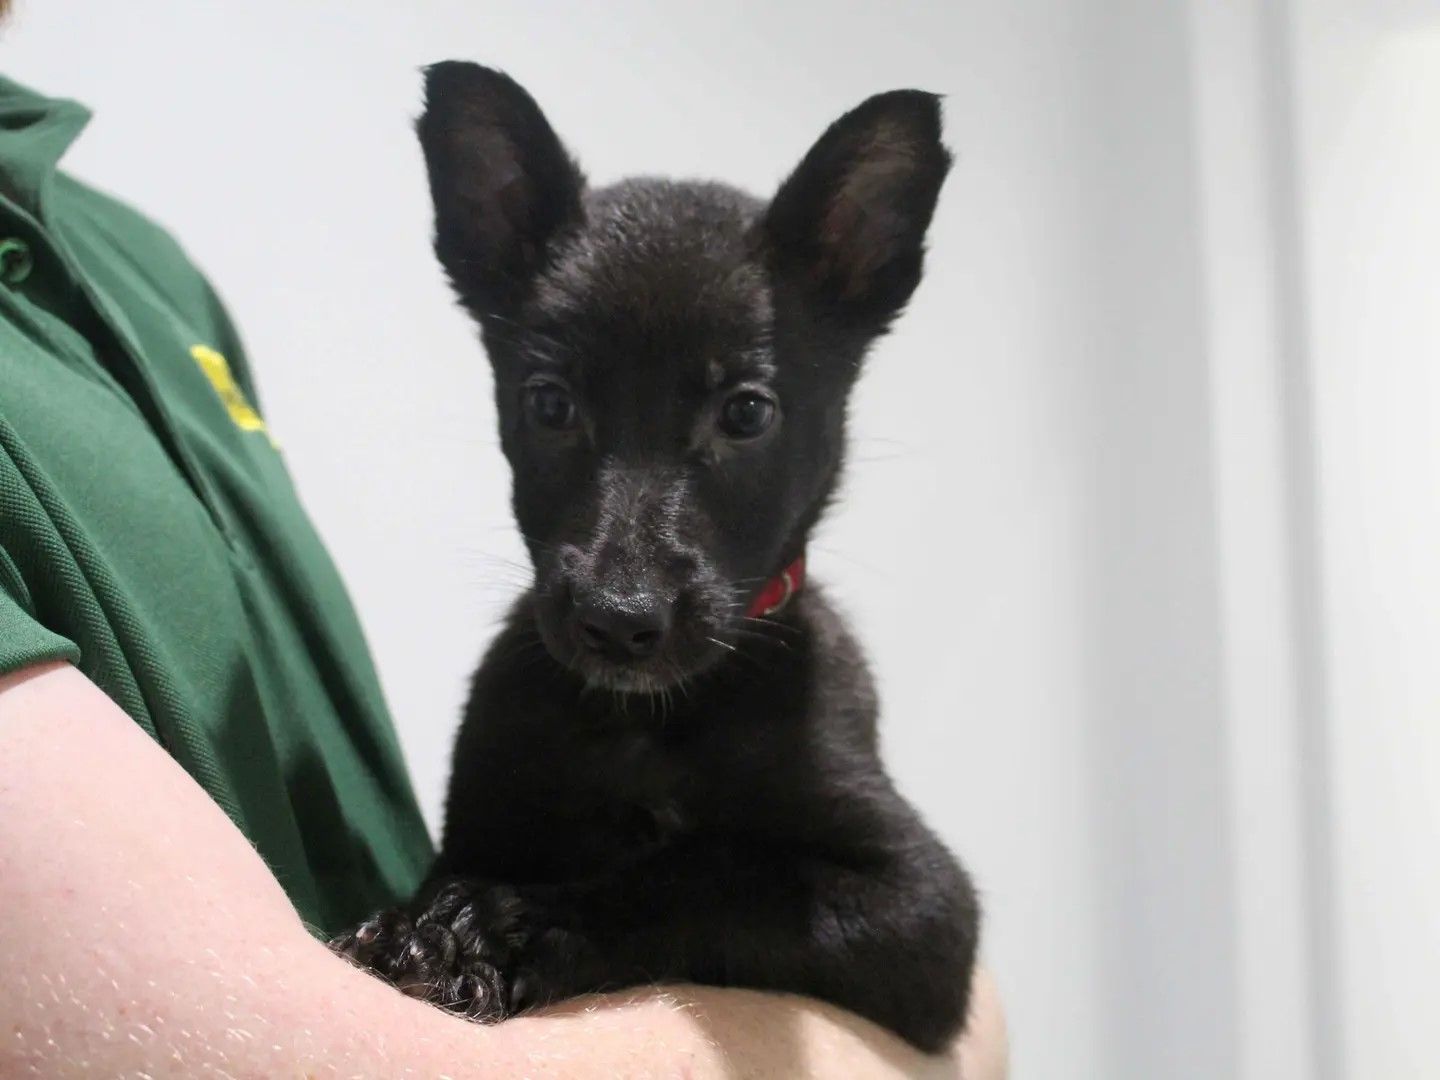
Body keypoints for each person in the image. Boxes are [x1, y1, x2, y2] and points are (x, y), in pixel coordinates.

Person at [0, 33, 1007, 1080]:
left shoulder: (806, 700)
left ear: (860, 270)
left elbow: (925, 936)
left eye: (739, 417)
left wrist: (601, 927)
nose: (621, 579)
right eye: (555, 406)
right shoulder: (522, 706)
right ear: (494, 255)